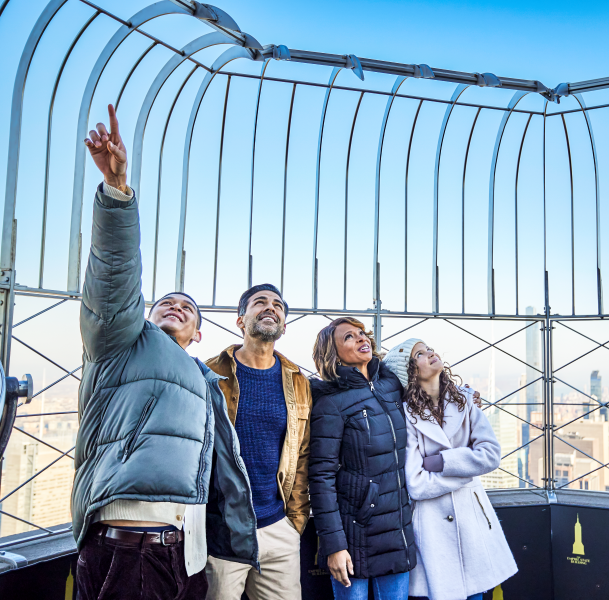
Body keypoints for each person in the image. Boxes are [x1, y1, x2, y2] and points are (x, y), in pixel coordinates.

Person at [73, 105, 257, 599]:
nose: (175, 305)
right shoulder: (120, 340)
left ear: (199, 334)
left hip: (184, 550)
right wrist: (117, 192)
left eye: (187, 307)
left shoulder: (204, 380)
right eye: (164, 303)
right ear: (145, 317)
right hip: (129, 546)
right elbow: (113, 275)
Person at [383, 339, 518, 600]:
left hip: (472, 527)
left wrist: (443, 462)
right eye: (419, 354)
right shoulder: (405, 416)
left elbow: (491, 455)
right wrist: (467, 471)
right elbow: (417, 484)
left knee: (475, 595)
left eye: (429, 348)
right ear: (408, 371)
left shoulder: (465, 402)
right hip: (431, 532)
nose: (431, 353)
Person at [203, 284, 311, 600]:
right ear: (240, 320)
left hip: (278, 528)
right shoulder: (210, 374)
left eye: (278, 305)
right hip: (222, 530)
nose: (270, 307)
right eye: (259, 302)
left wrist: (295, 520)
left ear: (284, 325)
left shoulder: (297, 380)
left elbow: (302, 452)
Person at [308, 318, 416, 600]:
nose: (361, 339)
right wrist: (333, 546)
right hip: (353, 537)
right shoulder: (330, 403)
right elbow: (321, 477)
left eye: (361, 333)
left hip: (396, 531)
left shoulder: (391, 384)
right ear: (331, 352)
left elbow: (428, 387)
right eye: (348, 337)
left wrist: (462, 398)